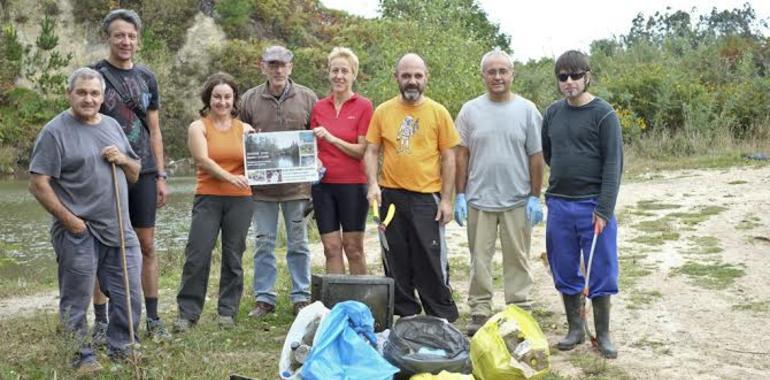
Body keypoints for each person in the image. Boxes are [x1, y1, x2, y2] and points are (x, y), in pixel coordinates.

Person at [28, 68, 142, 374]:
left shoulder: (114, 127)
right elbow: (39, 183)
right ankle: (80, 356)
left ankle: (122, 346)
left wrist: (124, 159)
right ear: (70, 94)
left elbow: (134, 173)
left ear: (103, 98)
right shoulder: (54, 132)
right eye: (82, 93)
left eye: (94, 94)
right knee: (76, 299)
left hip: (118, 227)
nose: (88, 99)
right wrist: (71, 221)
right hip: (78, 230)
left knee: (129, 292)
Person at [90, 8, 170, 340]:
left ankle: (152, 318)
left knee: (147, 244)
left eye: (131, 36)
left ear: (138, 40)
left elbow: (154, 129)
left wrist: (162, 174)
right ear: (108, 38)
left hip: (145, 171)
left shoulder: (147, 78)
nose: (126, 41)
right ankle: (102, 321)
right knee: (104, 246)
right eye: (119, 35)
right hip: (105, 170)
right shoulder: (94, 75)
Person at [454, 49, 545, 336]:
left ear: (512, 74)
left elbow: (536, 156)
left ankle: (519, 308)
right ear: (483, 76)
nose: (497, 77)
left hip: (517, 199)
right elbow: (461, 155)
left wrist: (534, 195)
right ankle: (480, 310)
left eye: (502, 71)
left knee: (517, 258)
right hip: (479, 199)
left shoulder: (528, 110)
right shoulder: (469, 111)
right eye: (491, 72)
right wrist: (459, 194)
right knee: (478, 259)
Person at [364, 53, 460, 322]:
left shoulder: (438, 112)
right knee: (395, 257)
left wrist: (447, 200)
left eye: (417, 75)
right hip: (391, 198)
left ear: (426, 78)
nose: (412, 81)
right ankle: (404, 315)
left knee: (430, 258)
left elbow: (449, 156)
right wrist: (372, 184)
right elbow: (371, 150)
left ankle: (440, 316)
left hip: (426, 197)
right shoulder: (383, 111)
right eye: (406, 75)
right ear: (397, 78)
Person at [542, 50, 623, 359]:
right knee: (563, 267)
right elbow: (549, 153)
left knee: (601, 270)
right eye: (563, 76)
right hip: (560, 204)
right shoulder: (552, 113)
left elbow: (613, 165)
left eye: (576, 75)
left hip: (593, 207)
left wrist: (603, 209)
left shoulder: (604, 114)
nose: (570, 82)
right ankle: (575, 328)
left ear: (588, 76)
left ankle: (602, 334)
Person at [239, 45, 318, 318]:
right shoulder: (249, 100)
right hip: (262, 190)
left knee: (299, 243)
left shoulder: (308, 97)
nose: (278, 69)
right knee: (263, 243)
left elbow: (316, 139)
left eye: (283, 64)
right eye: (272, 64)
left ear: (291, 67)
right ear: (262, 66)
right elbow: (240, 138)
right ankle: (264, 298)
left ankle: (301, 297)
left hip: (297, 188)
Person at [174, 73, 256, 331]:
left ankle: (227, 312)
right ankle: (187, 314)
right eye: (217, 97)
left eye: (227, 97)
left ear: (234, 100)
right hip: (208, 198)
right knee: (197, 255)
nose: (222, 102)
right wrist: (231, 178)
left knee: (233, 255)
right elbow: (203, 160)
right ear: (209, 99)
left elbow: (257, 163)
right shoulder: (198, 127)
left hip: (241, 200)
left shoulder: (246, 130)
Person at [310, 47, 373, 275]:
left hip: (353, 186)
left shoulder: (364, 106)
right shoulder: (318, 107)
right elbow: (312, 148)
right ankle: (335, 305)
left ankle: (360, 304)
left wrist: (332, 138)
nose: (339, 76)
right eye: (335, 70)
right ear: (328, 73)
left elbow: (361, 150)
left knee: (353, 248)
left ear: (353, 74)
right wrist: (314, 159)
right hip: (323, 187)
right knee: (331, 248)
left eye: (344, 71)